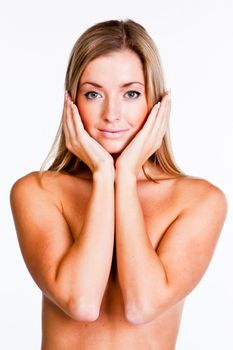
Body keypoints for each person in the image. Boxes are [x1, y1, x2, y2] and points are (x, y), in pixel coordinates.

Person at [10, 19, 227, 350]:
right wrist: (102, 173)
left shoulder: (198, 201)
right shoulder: (38, 192)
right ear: (71, 102)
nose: (112, 113)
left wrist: (125, 174)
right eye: (94, 93)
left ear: (156, 102)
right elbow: (81, 302)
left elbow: (142, 305)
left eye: (131, 93)